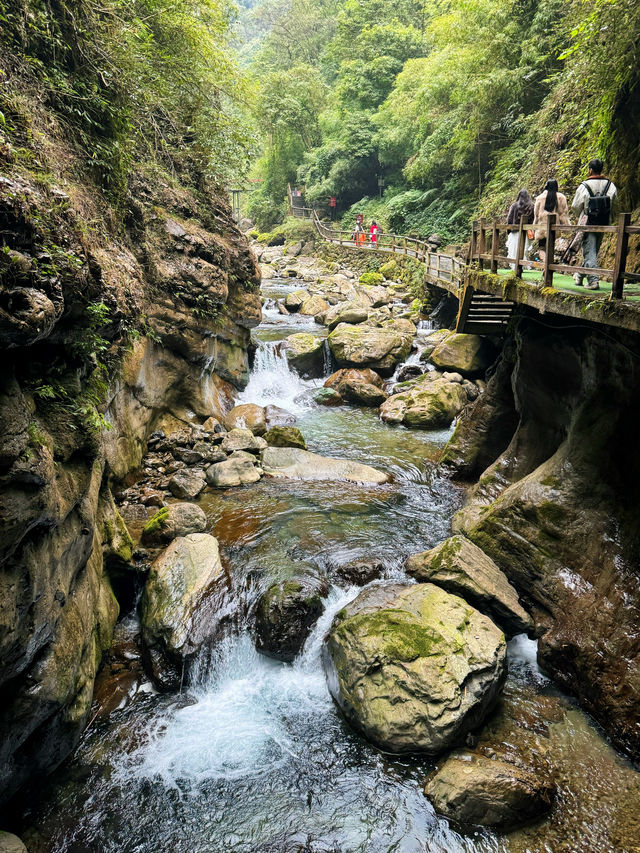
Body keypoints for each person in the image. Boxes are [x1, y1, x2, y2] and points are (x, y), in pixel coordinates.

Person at [570, 158, 618, 290]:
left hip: (588, 222)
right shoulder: (610, 185)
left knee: (589, 251)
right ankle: (579, 275)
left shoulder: (584, 186)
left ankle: (593, 281)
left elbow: (575, 206)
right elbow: (615, 204)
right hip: (603, 222)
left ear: (590, 170)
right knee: (592, 250)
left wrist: (582, 215)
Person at [533, 179, 571, 266]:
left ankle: (545, 265)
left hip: (542, 228)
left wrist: (533, 227)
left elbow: (536, 216)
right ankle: (548, 265)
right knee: (550, 246)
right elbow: (563, 215)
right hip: (554, 227)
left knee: (541, 247)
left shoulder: (539, 198)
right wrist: (566, 227)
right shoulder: (561, 197)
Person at [506, 189, 534, 269]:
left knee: (514, 249)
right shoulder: (531, 206)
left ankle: (515, 266)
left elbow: (510, 219)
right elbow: (533, 219)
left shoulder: (514, 206)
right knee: (524, 249)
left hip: (515, 231)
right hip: (526, 231)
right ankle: (522, 265)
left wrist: (509, 230)